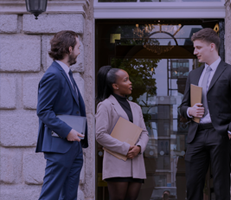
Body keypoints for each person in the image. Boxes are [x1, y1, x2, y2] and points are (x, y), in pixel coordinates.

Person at [179, 28, 231, 200]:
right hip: (196, 134)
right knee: (193, 184)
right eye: (195, 48)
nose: (195, 52)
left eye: (198, 48)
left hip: (220, 134)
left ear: (212, 46)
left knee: (221, 184)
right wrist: (189, 111)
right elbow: (183, 106)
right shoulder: (193, 74)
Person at [36, 30, 88, 200]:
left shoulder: (67, 74)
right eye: (78, 47)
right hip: (60, 147)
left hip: (74, 147)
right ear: (69, 49)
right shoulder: (53, 75)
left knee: (69, 196)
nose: (80, 51)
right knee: (50, 196)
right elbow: (43, 111)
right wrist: (68, 132)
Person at [95, 66, 149, 200]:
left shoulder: (136, 107)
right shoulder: (105, 105)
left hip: (136, 164)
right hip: (116, 164)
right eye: (126, 80)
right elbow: (100, 135)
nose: (130, 83)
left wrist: (139, 148)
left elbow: (144, 132)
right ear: (115, 85)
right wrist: (126, 148)